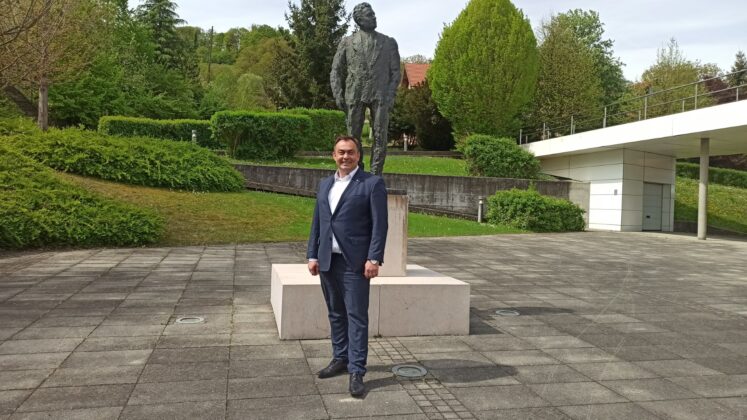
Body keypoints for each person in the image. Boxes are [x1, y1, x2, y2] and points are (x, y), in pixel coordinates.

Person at [307, 135, 388, 397]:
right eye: (341, 152)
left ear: (358, 156)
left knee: (356, 317)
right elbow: (318, 222)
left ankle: (357, 370)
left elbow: (380, 225)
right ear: (333, 155)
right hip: (327, 261)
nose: (345, 157)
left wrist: (374, 258)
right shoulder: (325, 184)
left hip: (355, 263)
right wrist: (312, 255)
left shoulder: (371, 184)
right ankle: (340, 358)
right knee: (335, 313)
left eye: (350, 152)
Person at [330, 2, 401, 176]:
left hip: (380, 95)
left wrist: (390, 95)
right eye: (370, 15)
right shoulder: (347, 42)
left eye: (374, 13)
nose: (374, 17)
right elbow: (336, 70)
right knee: (353, 138)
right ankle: (357, 173)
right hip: (354, 93)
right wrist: (338, 93)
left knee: (380, 136)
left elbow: (396, 73)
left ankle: (376, 175)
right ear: (359, 20)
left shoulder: (388, 43)